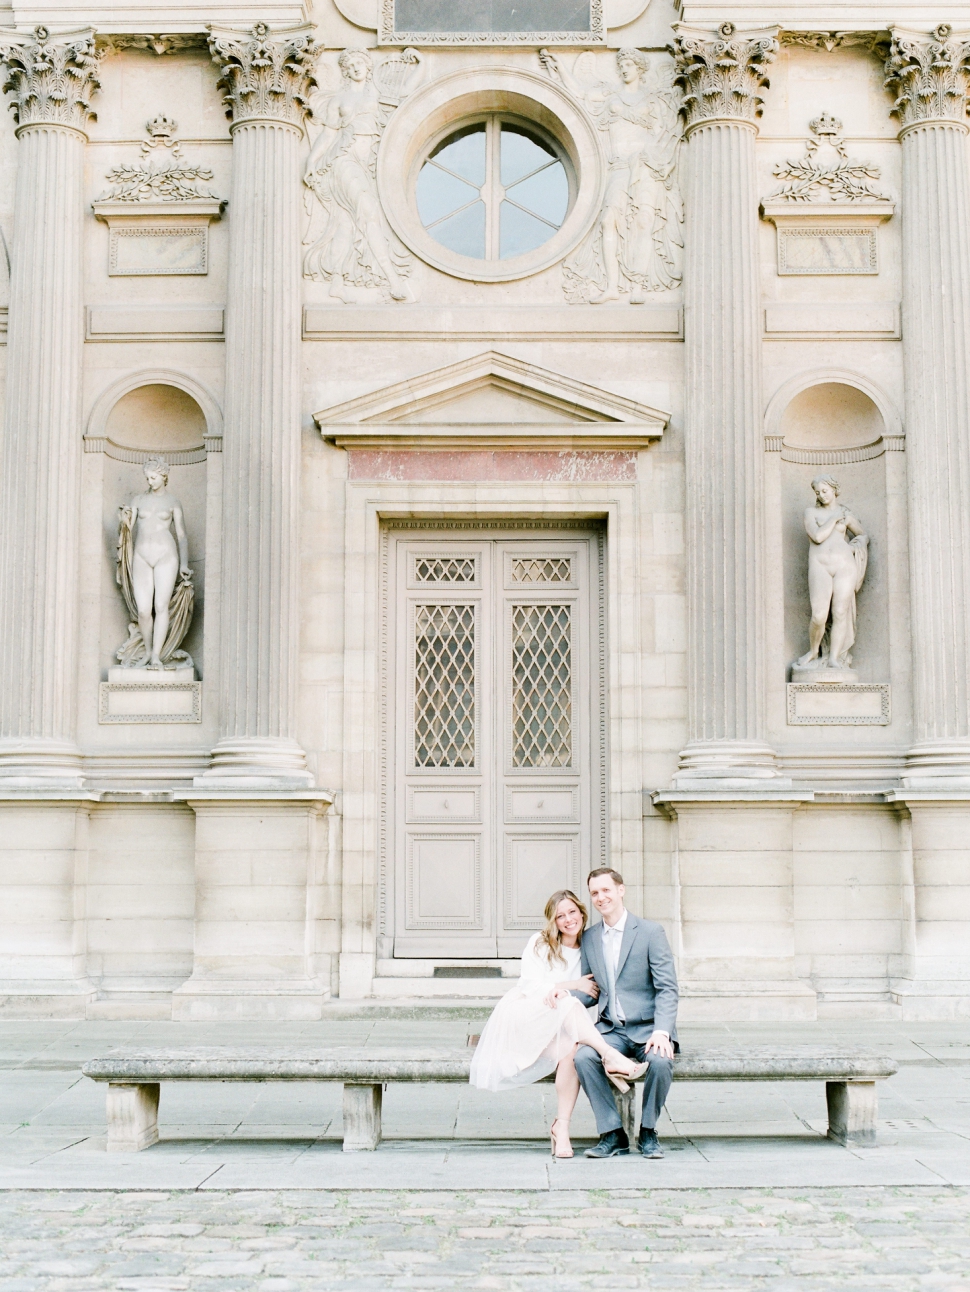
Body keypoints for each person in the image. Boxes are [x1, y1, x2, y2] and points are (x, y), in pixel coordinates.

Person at [470, 889, 648, 1159]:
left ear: (581, 912)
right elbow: (530, 985)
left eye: (572, 912)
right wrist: (569, 986)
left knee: (572, 1053)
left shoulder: (588, 946)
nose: (567, 920)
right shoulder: (540, 943)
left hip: (560, 1022)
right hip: (525, 1017)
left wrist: (571, 993)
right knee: (566, 1002)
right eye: (560, 916)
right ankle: (610, 1055)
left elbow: (589, 995)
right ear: (552, 921)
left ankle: (561, 1128)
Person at [567, 867, 678, 1160]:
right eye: (594, 893)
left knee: (661, 1060)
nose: (601, 897)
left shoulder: (651, 932)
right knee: (584, 1057)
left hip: (649, 1028)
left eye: (606, 890)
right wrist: (559, 997)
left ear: (620, 890)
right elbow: (590, 991)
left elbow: (668, 988)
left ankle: (648, 1131)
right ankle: (612, 1133)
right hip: (611, 1030)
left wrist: (662, 1030)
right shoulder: (589, 938)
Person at [795, 475, 869, 673]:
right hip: (820, 566)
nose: (821, 495)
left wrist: (856, 546)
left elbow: (862, 534)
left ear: (834, 490)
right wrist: (834, 518)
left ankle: (834, 658)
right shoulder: (811, 512)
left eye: (824, 490)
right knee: (819, 615)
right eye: (818, 492)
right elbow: (818, 536)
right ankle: (813, 651)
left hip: (844, 567)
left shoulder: (847, 515)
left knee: (839, 612)